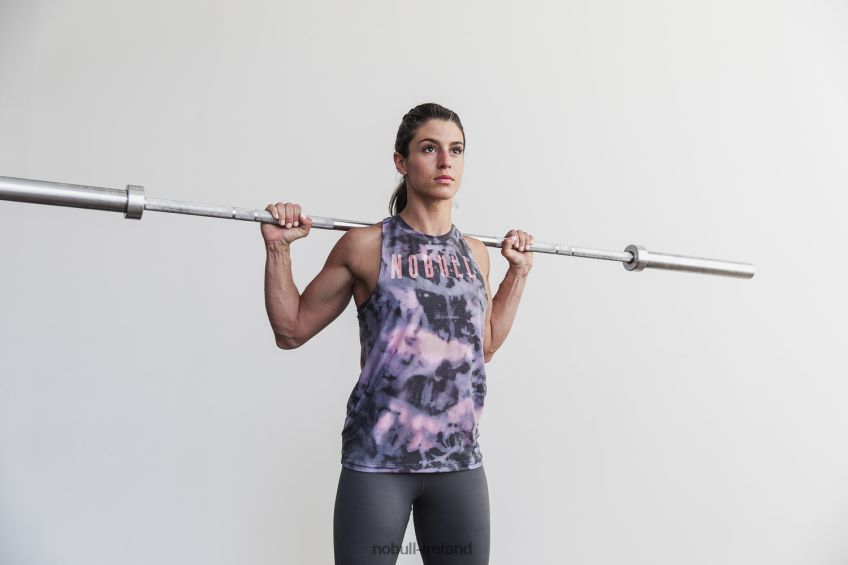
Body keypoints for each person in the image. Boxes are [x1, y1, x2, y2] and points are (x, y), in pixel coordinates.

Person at [261, 103, 533, 565]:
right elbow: (291, 330)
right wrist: (278, 251)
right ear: (401, 162)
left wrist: (518, 274)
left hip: (458, 463)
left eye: (456, 150)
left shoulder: (475, 254)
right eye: (429, 149)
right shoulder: (366, 246)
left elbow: (483, 345)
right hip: (379, 462)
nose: (445, 161)